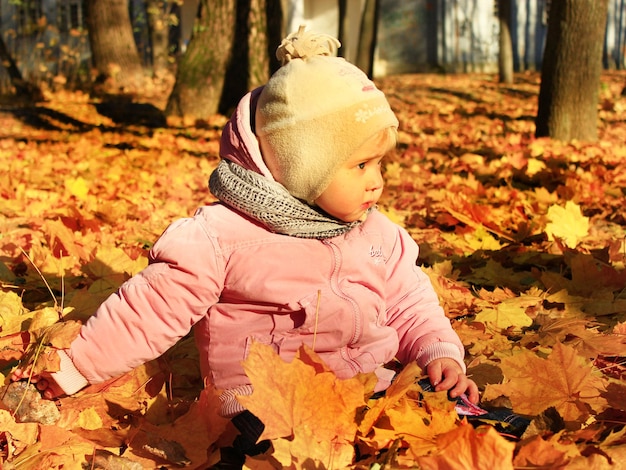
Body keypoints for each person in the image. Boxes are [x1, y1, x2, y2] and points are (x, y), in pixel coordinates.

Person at [13, 26, 479, 464]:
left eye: (381, 165)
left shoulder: (375, 232)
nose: (376, 183)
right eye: (359, 166)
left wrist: (439, 353)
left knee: (443, 432)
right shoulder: (223, 237)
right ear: (299, 167)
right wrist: (75, 369)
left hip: (366, 388)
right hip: (258, 405)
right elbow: (149, 310)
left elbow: (409, 301)